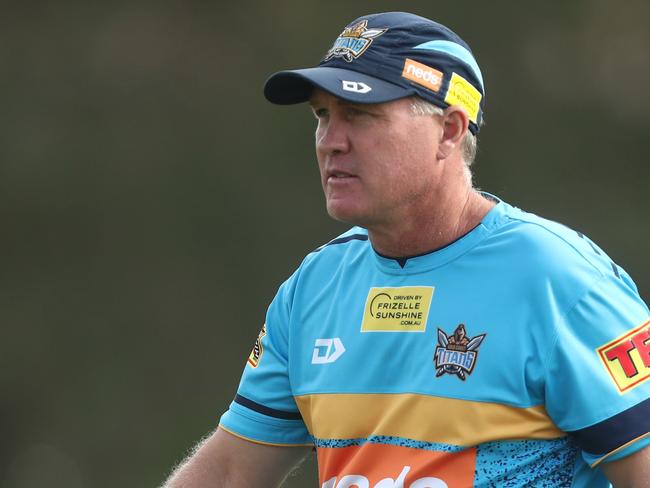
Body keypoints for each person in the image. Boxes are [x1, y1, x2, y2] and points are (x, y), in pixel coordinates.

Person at [164, 11, 650, 487]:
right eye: (322, 116)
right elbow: (230, 472)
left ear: (449, 130)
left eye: (359, 115)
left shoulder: (561, 281)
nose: (330, 141)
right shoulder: (314, 287)